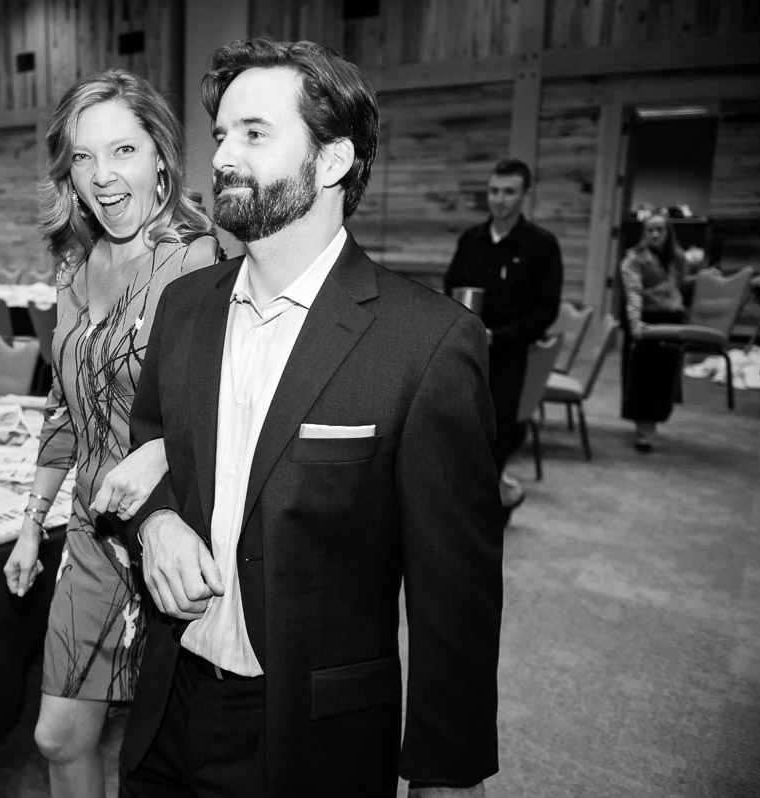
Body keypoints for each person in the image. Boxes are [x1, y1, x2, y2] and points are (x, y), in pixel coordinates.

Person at [118, 39, 502, 798]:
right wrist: (154, 522)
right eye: (221, 134)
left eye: (254, 134)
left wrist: (445, 772)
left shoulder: (426, 343)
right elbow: (151, 440)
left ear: (331, 161)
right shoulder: (185, 306)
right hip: (166, 706)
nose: (221, 156)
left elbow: (453, 589)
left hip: (306, 735)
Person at [2, 69, 220, 798]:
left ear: (160, 155)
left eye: (123, 150)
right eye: (84, 157)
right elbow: (62, 404)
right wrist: (32, 522)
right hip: (92, 532)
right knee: (58, 737)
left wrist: (159, 449)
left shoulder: (199, 259)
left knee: (174, 756)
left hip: (174, 530)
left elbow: (228, 407)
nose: (103, 175)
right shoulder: (75, 263)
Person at [444, 157, 563, 520]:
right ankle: (464, 505)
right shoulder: (471, 240)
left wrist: (500, 335)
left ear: (525, 194)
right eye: (494, 191)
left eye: (509, 192)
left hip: (509, 357)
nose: (499, 199)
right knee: (459, 432)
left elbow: (546, 309)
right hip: (466, 354)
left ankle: (493, 509)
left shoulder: (541, 245)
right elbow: (451, 286)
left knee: (497, 435)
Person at [617, 210, 689, 452]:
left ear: (668, 232)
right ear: (644, 233)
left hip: (673, 321)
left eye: (660, 229)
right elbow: (633, 294)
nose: (656, 234)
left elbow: (680, 287)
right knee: (644, 379)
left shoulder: (677, 258)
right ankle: (644, 432)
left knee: (664, 380)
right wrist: (636, 325)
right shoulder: (634, 259)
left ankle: (652, 424)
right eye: (651, 230)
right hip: (647, 322)